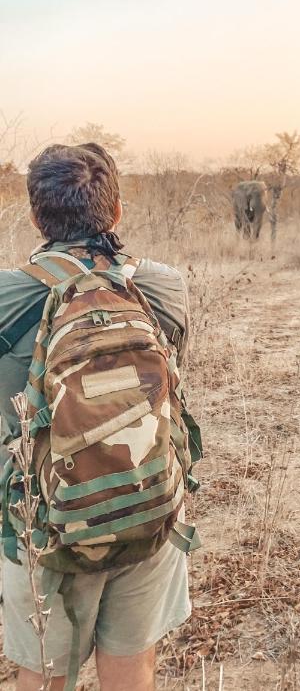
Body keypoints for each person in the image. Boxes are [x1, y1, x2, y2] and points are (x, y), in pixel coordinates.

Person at [0, 143, 193, 691]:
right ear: (116, 213)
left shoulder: (6, 296)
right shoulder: (163, 286)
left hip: (42, 524)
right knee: (132, 671)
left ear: (37, 216)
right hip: (149, 501)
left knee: (43, 676)